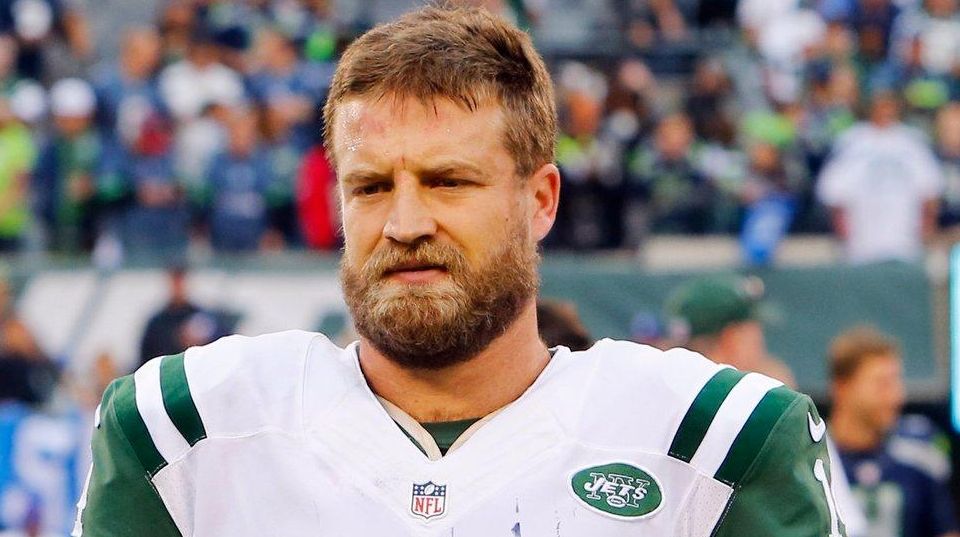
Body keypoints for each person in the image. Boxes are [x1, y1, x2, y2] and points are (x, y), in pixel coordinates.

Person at [74, 7, 845, 536]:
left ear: (540, 200)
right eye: (371, 187)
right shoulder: (188, 434)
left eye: (448, 181)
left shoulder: (713, 447)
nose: (405, 224)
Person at [828, 326, 960, 537]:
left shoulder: (920, 451)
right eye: (882, 384)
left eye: (896, 381)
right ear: (842, 387)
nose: (896, 396)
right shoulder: (813, 456)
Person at [665, 275, 797, 387]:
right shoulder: (752, 397)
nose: (760, 340)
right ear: (732, 339)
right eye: (754, 331)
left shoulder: (670, 388)